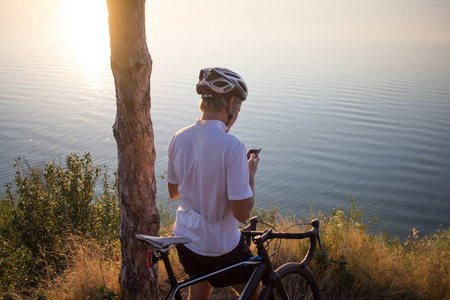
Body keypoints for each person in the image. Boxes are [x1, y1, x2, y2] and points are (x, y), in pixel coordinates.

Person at [166, 67, 260, 299]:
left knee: (201, 282)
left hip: (186, 240)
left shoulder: (179, 137)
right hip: (220, 247)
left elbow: (173, 192)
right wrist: (249, 175)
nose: (237, 113)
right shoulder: (232, 146)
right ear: (231, 102)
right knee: (257, 292)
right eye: (239, 107)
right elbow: (242, 213)